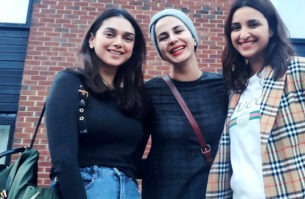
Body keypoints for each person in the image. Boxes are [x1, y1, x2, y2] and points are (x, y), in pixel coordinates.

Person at [205, 0, 305, 198]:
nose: (243, 34)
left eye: (253, 24)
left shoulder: (303, 71)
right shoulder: (235, 89)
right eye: (236, 27)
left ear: (272, 29)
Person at [46, 8, 146, 199]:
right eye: (110, 34)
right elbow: (63, 161)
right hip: (86, 187)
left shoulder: (134, 98)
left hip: (129, 190)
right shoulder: (70, 82)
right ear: (92, 40)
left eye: (128, 38)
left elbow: (131, 161)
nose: (118, 43)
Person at [142, 9, 228, 199]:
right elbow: (130, 153)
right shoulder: (148, 93)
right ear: (160, 50)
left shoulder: (224, 86)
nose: (172, 39)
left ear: (194, 38)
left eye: (178, 31)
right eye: (163, 37)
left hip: (216, 194)